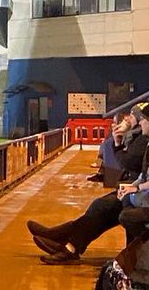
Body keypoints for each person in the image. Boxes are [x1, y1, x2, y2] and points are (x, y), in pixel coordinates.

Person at [28, 103, 149, 264]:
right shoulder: (140, 137)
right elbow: (138, 171)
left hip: (141, 195)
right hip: (136, 190)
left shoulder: (142, 139)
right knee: (101, 207)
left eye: (139, 118)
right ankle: (65, 242)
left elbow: (128, 162)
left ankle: (65, 242)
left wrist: (134, 186)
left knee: (106, 208)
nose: (131, 120)